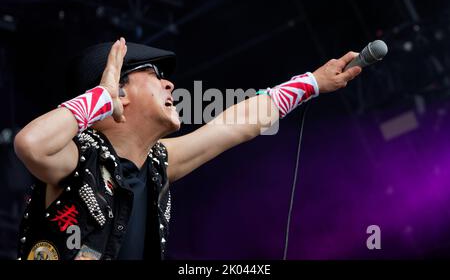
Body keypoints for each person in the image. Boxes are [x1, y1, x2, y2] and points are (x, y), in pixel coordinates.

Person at [14, 37, 362, 260]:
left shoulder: (158, 163)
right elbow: (31, 144)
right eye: (152, 73)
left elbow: (237, 124)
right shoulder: (78, 157)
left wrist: (311, 83)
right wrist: (100, 98)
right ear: (119, 93)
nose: (169, 83)